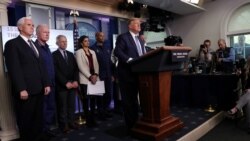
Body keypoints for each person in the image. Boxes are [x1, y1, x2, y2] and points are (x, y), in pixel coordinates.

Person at [4, 17, 51, 141]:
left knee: (37, 119)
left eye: (33, 25)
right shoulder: (12, 44)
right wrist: (21, 88)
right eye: (29, 25)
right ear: (20, 27)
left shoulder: (34, 44)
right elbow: (14, 68)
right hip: (26, 91)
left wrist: (46, 83)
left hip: (39, 89)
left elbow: (42, 66)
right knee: (26, 121)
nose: (32, 27)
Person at [114, 18, 146, 131]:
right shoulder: (123, 37)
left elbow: (142, 54)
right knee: (129, 102)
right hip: (127, 75)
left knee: (136, 101)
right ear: (130, 26)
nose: (139, 25)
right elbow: (117, 52)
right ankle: (130, 127)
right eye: (137, 24)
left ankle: (137, 122)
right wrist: (130, 60)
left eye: (139, 24)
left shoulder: (140, 40)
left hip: (139, 74)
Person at [34, 24, 60, 137]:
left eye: (48, 32)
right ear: (37, 33)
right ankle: (42, 131)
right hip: (42, 86)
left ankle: (47, 129)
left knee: (50, 108)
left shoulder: (48, 47)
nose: (47, 34)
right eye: (45, 32)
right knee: (42, 110)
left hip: (52, 84)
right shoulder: (34, 47)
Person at [52, 35, 79, 133]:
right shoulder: (53, 55)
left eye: (66, 41)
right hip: (62, 86)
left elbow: (76, 69)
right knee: (62, 107)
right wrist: (65, 83)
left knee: (71, 106)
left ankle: (71, 122)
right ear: (57, 43)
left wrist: (76, 81)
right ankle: (64, 126)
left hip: (73, 85)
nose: (65, 43)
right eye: (62, 41)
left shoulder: (71, 54)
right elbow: (56, 72)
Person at [75, 35, 99, 127]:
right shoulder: (78, 52)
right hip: (85, 79)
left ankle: (93, 119)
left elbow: (96, 64)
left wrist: (96, 75)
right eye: (85, 41)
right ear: (81, 43)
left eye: (88, 41)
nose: (87, 42)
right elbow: (80, 66)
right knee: (86, 101)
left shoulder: (92, 51)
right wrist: (90, 77)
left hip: (95, 79)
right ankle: (88, 120)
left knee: (93, 100)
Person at [91, 32, 113, 119]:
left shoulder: (107, 47)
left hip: (108, 75)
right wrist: (95, 75)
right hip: (99, 76)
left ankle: (105, 110)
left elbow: (110, 61)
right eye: (100, 36)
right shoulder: (92, 48)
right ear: (96, 37)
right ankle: (100, 113)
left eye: (103, 36)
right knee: (100, 96)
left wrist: (112, 74)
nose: (102, 37)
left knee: (109, 94)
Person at [226, 56, 250, 133]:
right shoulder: (246, 70)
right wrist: (238, 73)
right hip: (247, 94)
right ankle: (248, 123)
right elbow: (239, 77)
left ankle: (236, 108)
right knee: (249, 101)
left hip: (248, 93)